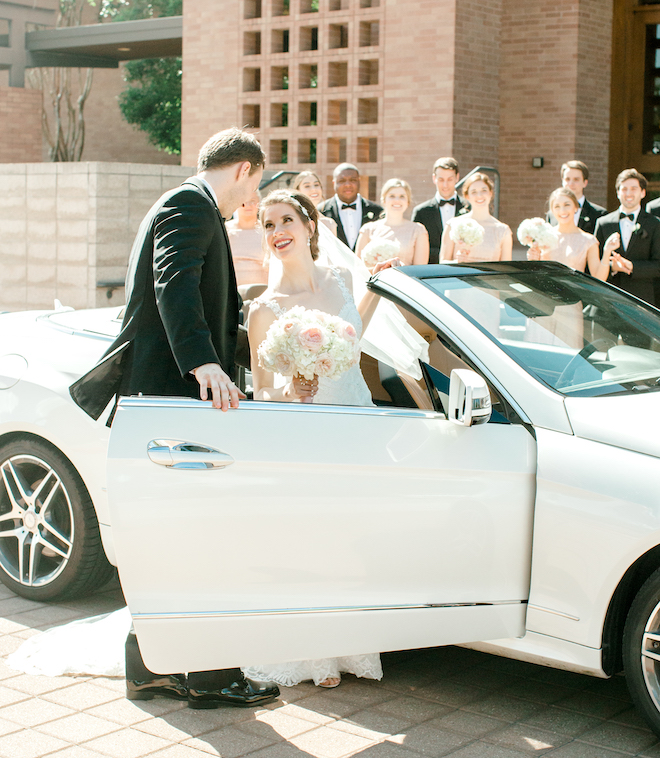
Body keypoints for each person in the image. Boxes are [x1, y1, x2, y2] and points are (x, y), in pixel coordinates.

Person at [68, 127, 280, 709]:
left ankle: (152, 668)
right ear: (244, 170)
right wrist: (204, 362)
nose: (252, 198)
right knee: (199, 539)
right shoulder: (190, 204)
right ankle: (211, 678)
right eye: (256, 183)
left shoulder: (180, 202)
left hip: (162, 399)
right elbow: (176, 282)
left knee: (170, 540)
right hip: (172, 400)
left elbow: (198, 299)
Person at [245, 189, 392, 686]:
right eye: (267, 224)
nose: (276, 230)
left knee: (354, 537)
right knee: (313, 540)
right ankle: (312, 658)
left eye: (286, 219)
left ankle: (349, 646)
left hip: (356, 420)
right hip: (306, 436)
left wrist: (376, 289)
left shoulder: (341, 278)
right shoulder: (265, 310)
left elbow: (354, 336)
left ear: (310, 226)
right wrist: (292, 391)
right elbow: (260, 395)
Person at [595, 168, 660, 306]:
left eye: (634, 188)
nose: (628, 193)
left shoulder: (655, 224)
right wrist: (613, 266)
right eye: (624, 189)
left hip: (643, 300)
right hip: (608, 299)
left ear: (643, 192)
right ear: (618, 192)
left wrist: (630, 266)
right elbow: (594, 263)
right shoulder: (603, 223)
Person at [528, 188, 616, 279]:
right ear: (552, 211)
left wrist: (607, 252)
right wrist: (533, 260)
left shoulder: (588, 240)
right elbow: (535, 274)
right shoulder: (543, 236)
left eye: (567, 205)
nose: (562, 211)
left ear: (576, 207)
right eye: (557, 206)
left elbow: (599, 277)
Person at [356, 178, 429, 268]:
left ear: (408, 201)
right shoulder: (368, 230)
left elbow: (420, 269)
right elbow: (358, 268)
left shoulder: (418, 230)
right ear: (384, 200)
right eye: (392, 196)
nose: (397, 200)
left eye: (402, 196)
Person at [440, 173, 512, 262]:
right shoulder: (452, 225)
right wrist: (456, 262)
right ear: (467, 196)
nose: (479, 195)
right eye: (474, 192)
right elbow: (442, 262)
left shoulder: (503, 231)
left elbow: (505, 269)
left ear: (490, 193)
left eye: (484, 190)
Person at [317, 163, 383, 250]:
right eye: (342, 181)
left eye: (353, 180)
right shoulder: (320, 211)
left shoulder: (377, 211)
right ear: (334, 183)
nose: (348, 185)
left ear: (359, 181)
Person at [411, 157, 464, 264]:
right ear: (434, 178)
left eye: (450, 179)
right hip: (431, 271)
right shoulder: (421, 212)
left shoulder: (468, 208)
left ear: (457, 177)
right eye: (441, 180)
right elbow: (414, 246)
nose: (445, 185)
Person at [547, 161, 606, 235]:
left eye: (576, 179)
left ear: (585, 183)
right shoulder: (552, 214)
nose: (571, 184)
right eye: (567, 179)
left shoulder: (599, 214)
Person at [226, 189, 269, 287]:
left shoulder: (267, 230)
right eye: (243, 201)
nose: (248, 205)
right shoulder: (226, 230)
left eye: (252, 201)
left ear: (259, 203)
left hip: (261, 289)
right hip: (232, 290)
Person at [293, 170, 338, 235]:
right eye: (307, 186)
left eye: (316, 185)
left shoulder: (330, 223)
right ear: (298, 191)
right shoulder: (293, 219)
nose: (314, 189)